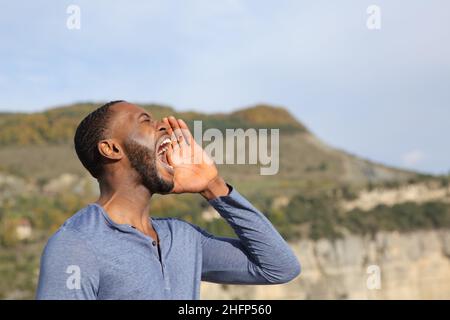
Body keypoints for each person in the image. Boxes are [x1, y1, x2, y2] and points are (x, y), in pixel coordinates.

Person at [36, 100, 301, 299]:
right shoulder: (76, 244)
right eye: (145, 121)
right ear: (111, 148)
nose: (163, 124)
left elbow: (278, 267)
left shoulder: (184, 237)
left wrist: (212, 185)